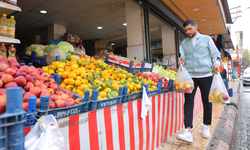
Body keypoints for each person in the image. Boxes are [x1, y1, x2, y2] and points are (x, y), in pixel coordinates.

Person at [177, 19, 221, 143]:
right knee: (188, 102)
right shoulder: (184, 43)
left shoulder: (207, 39)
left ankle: (206, 126)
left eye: (190, 29)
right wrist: (181, 61)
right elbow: (182, 57)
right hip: (190, 76)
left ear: (196, 27)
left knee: (207, 101)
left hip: (206, 74)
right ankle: (188, 130)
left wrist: (216, 64)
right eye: (186, 30)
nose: (188, 32)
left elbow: (215, 55)